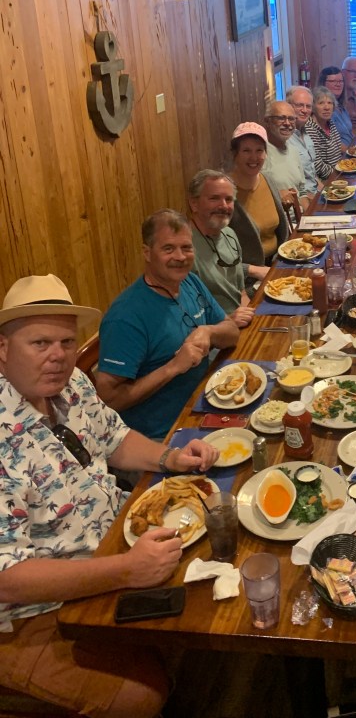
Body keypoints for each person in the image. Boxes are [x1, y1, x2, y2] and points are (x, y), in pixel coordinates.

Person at [0, 274, 219, 717]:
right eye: (40, 343)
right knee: (140, 696)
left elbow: (115, 438)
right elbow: (8, 578)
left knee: (210, 571)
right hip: (28, 615)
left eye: (67, 342)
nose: (58, 355)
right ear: (3, 349)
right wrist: (127, 570)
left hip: (114, 545)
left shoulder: (73, 386)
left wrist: (171, 457)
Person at [95, 210, 239, 441]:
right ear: (147, 252)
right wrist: (173, 367)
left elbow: (232, 331)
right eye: (168, 249)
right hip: (162, 435)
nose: (180, 257)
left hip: (207, 404)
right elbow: (108, 399)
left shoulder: (190, 281)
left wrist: (208, 331)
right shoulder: (125, 317)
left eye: (186, 247)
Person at [188, 169, 254, 328]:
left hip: (241, 322)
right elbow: (188, 318)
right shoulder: (184, 249)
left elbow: (242, 293)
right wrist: (228, 322)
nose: (223, 206)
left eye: (229, 199)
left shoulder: (229, 234)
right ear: (194, 204)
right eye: (214, 198)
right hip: (214, 333)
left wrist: (252, 318)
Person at [228, 121, 290, 277]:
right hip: (249, 278)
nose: (254, 157)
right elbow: (217, 258)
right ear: (235, 154)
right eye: (246, 151)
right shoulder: (224, 193)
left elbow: (282, 233)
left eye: (259, 150)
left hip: (280, 263)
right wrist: (254, 271)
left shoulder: (267, 180)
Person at [262, 100, 310, 217]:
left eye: (291, 119)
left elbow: (302, 191)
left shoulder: (294, 151)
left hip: (299, 220)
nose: (287, 123)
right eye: (281, 118)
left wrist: (309, 218)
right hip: (279, 223)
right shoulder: (259, 154)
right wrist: (276, 195)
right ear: (267, 121)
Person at [286, 84, 320, 197]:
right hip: (304, 200)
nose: (305, 110)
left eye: (308, 106)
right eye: (299, 105)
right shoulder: (285, 139)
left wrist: (325, 192)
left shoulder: (306, 133)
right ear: (288, 106)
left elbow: (312, 176)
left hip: (316, 194)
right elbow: (291, 186)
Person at [305, 85, 343, 179]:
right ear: (313, 107)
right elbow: (318, 166)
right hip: (327, 180)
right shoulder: (310, 128)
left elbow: (339, 151)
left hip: (340, 171)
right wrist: (340, 174)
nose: (327, 107)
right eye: (321, 103)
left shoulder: (330, 123)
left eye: (330, 103)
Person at [318, 65, 351, 148]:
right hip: (340, 154)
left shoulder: (341, 106)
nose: (338, 84)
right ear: (323, 84)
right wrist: (351, 152)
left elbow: (348, 134)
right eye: (333, 81)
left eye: (341, 81)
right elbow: (328, 142)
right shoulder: (323, 110)